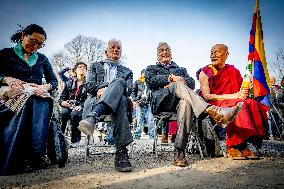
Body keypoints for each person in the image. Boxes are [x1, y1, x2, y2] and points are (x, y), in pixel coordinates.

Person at [145, 42, 243, 167]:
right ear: (157, 55)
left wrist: (180, 81)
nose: (164, 52)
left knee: (186, 103)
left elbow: (191, 83)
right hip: (162, 102)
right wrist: (171, 79)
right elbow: (150, 81)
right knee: (178, 85)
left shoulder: (180, 69)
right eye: (161, 51)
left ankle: (179, 152)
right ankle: (211, 110)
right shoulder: (151, 68)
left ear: (171, 52)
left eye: (167, 50)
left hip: (179, 102)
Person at [0, 24, 58, 175]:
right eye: (33, 41)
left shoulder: (42, 59)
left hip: (35, 94)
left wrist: (45, 87)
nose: (36, 46)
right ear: (24, 35)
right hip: (9, 96)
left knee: (42, 100)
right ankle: (24, 156)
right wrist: (6, 78)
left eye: (40, 44)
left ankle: (35, 154)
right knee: (31, 102)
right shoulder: (6, 54)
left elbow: (53, 81)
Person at [197, 44, 268, 160]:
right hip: (215, 103)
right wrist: (234, 96)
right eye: (212, 53)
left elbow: (240, 91)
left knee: (252, 103)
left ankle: (245, 143)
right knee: (237, 105)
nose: (213, 55)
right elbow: (207, 96)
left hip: (233, 100)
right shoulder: (205, 72)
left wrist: (248, 88)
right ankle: (233, 146)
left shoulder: (233, 71)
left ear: (226, 54)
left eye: (217, 52)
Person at [78, 39, 133, 172]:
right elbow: (89, 86)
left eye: (118, 48)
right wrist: (103, 90)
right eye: (113, 47)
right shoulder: (95, 66)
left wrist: (108, 89)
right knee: (120, 99)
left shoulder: (127, 71)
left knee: (120, 92)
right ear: (106, 51)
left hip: (119, 102)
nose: (116, 50)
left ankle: (93, 117)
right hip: (96, 99)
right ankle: (121, 152)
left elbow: (129, 90)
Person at [59, 62, 88, 145]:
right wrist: (62, 102)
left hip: (82, 107)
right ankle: (60, 137)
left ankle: (75, 140)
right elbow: (62, 98)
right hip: (69, 106)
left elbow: (91, 98)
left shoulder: (89, 83)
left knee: (75, 114)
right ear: (75, 70)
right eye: (80, 67)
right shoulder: (69, 83)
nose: (82, 68)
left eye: (84, 67)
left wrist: (81, 106)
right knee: (64, 113)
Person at [132, 69, 154, 139]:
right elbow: (133, 92)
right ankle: (137, 135)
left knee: (151, 119)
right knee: (139, 119)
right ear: (141, 74)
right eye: (144, 73)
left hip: (149, 102)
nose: (145, 75)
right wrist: (135, 100)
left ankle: (152, 135)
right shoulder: (137, 82)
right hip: (140, 102)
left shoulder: (151, 82)